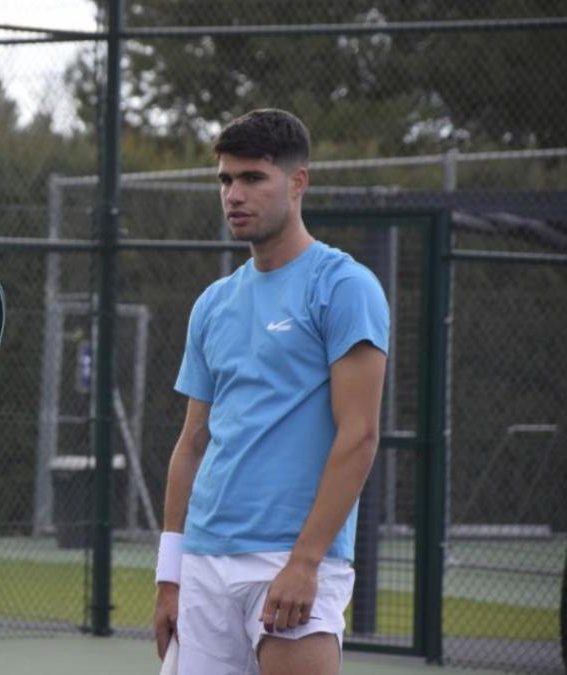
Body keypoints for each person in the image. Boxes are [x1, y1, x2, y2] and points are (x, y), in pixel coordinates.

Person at [152, 109, 389, 675]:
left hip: (292, 558)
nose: (234, 194)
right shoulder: (212, 303)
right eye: (226, 180)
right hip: (204, 562)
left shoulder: (343, 286)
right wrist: (170, 575)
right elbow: (192, 444)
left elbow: (359, 435)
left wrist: (305, 562)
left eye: (253, 178)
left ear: (298, 182)